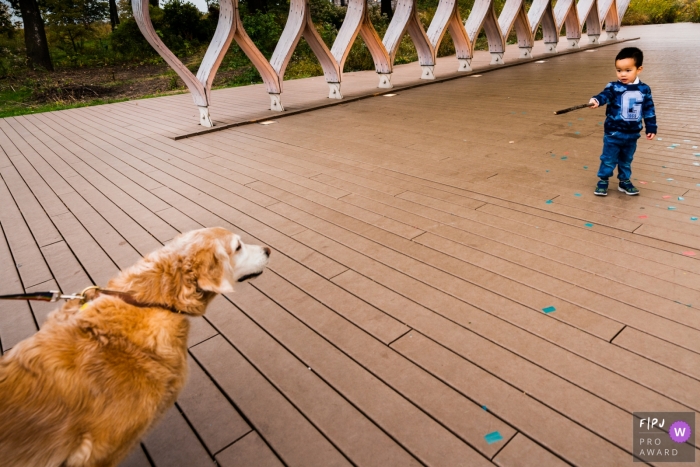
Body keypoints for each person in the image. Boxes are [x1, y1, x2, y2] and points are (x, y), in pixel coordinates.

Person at [589, 47, 657, 196]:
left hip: (632, 134)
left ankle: (624, 181)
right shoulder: (613, 87)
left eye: (627, 70)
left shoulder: (644, 89)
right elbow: (604, 95)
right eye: (619, 70)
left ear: (639, 69)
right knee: (608, 158)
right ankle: (603, 180)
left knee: (626, 159)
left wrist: (651, 127)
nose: (623, 74)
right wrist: (596, 100)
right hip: (613, 132)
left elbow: (649, 109)